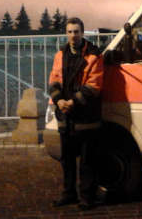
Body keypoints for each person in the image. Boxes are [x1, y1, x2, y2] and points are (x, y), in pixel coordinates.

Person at [48, 17, 104, 210]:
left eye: (77, 31)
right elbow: (54, 80)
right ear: (66, 33)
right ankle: (69, 194)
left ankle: (87, 197)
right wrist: (59, 100)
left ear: (83, 32)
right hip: (66, 117)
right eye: (70, 32)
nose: (73, 35)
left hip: (86, 117)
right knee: (67, 161)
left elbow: (94, 86)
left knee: (88, 162)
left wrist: (72, 101)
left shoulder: (94, 55)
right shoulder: (60, 54)